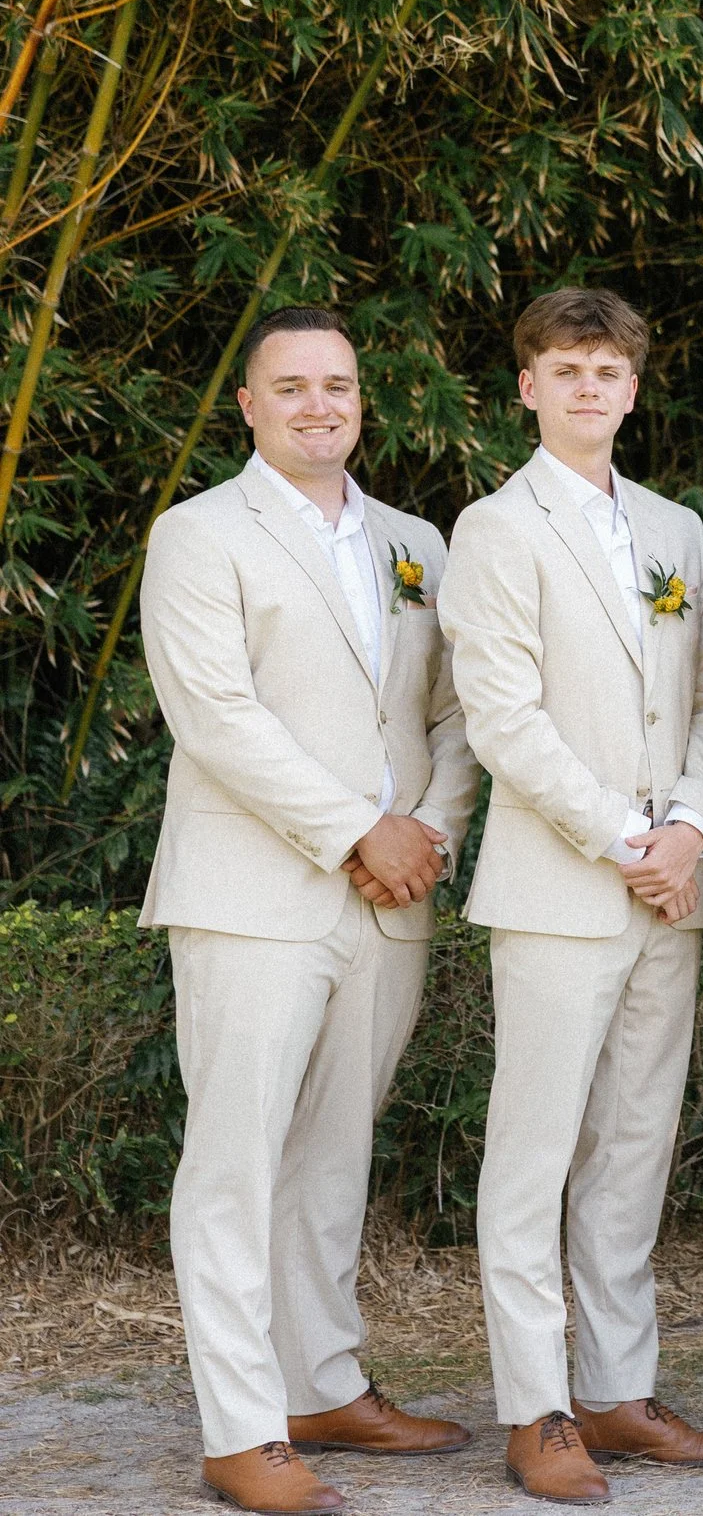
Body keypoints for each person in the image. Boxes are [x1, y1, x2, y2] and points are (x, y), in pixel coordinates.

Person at [140, 305, 481, 1516]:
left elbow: (457, 709)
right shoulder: (198, 535)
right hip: (255, 892)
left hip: (394, 893)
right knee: (235, 1160)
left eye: (336, 385)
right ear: (248, 405)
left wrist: (429, 828)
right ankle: (240, 1429)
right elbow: (216, 715)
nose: (317, 405)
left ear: (360, 401)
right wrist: (354, 829)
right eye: (290, 388)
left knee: (336, 1152)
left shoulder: (415, 540)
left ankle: (322, 1380)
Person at [439, 288, 703, 1505]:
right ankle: (537, 1405)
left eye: (607, 370)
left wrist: (695, 829)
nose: (587, 389)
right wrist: (630, 835)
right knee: (534, 1149)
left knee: (634, 1144)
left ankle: (617, 1387)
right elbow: (503, 716)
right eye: (565, 370)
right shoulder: (491, 529)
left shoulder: (676, 527)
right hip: (565, 881)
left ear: (632, 386)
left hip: (672, 884)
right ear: (528, 387)